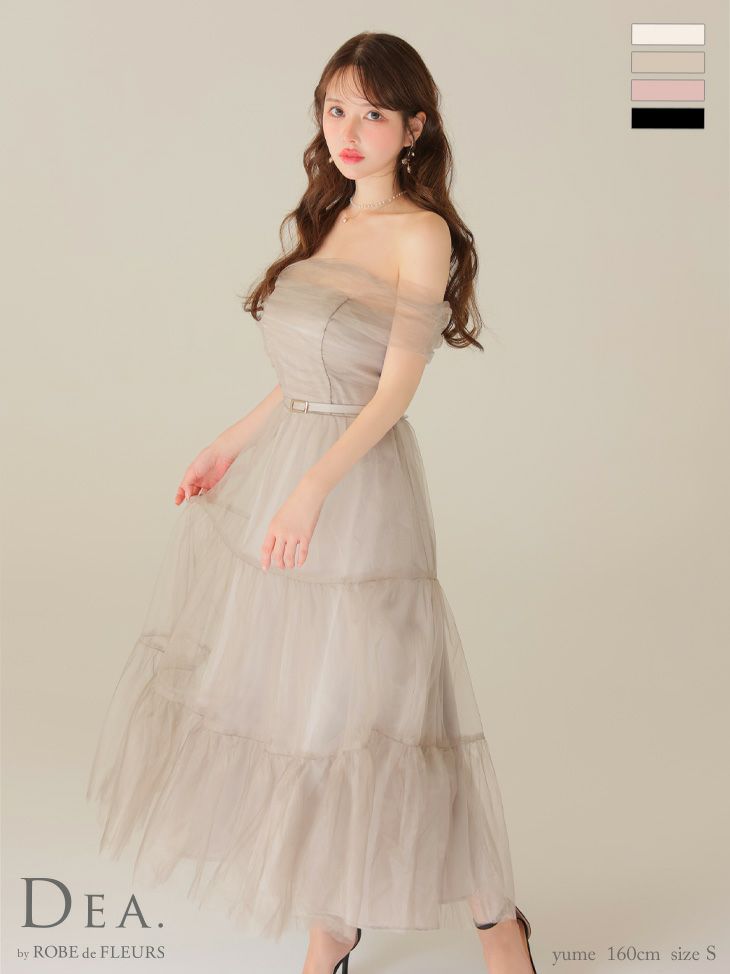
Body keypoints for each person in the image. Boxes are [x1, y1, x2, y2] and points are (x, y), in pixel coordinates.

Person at [86, 31, 538, 974]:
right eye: (336, 109)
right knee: (305, 706)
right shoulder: (329, 216)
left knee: (387, 711)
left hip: (357, 483)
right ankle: (332, 924)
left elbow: (393, 391)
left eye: (373, 113)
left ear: (415, 127)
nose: (350, 131)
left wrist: (312, 488)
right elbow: (302, 373)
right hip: (291, 466)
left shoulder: (420, 232)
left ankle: (497, 920)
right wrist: (229, 443)